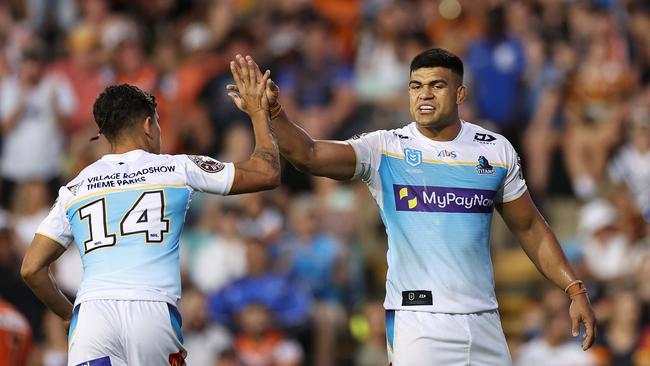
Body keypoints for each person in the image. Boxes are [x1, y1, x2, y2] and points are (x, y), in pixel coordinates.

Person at [228, 49, 596, 365]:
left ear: (460, 92)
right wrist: (273, 112)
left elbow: (530, 227)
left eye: (437, 85)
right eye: (416, 86)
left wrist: (574, 289)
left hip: (484, 318)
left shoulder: (494, 149)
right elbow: (307, 155)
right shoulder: (385, 148)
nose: (425, 94)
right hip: (419, 322)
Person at [20, 57, 280, 365]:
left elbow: (31, 269)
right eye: (157, 122)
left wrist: (68, 313)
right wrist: (259, 112)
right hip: (152, 310)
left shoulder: (75, 187)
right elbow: (267, 172)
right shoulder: (176, 167)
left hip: (92, 316)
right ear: (147, 125)